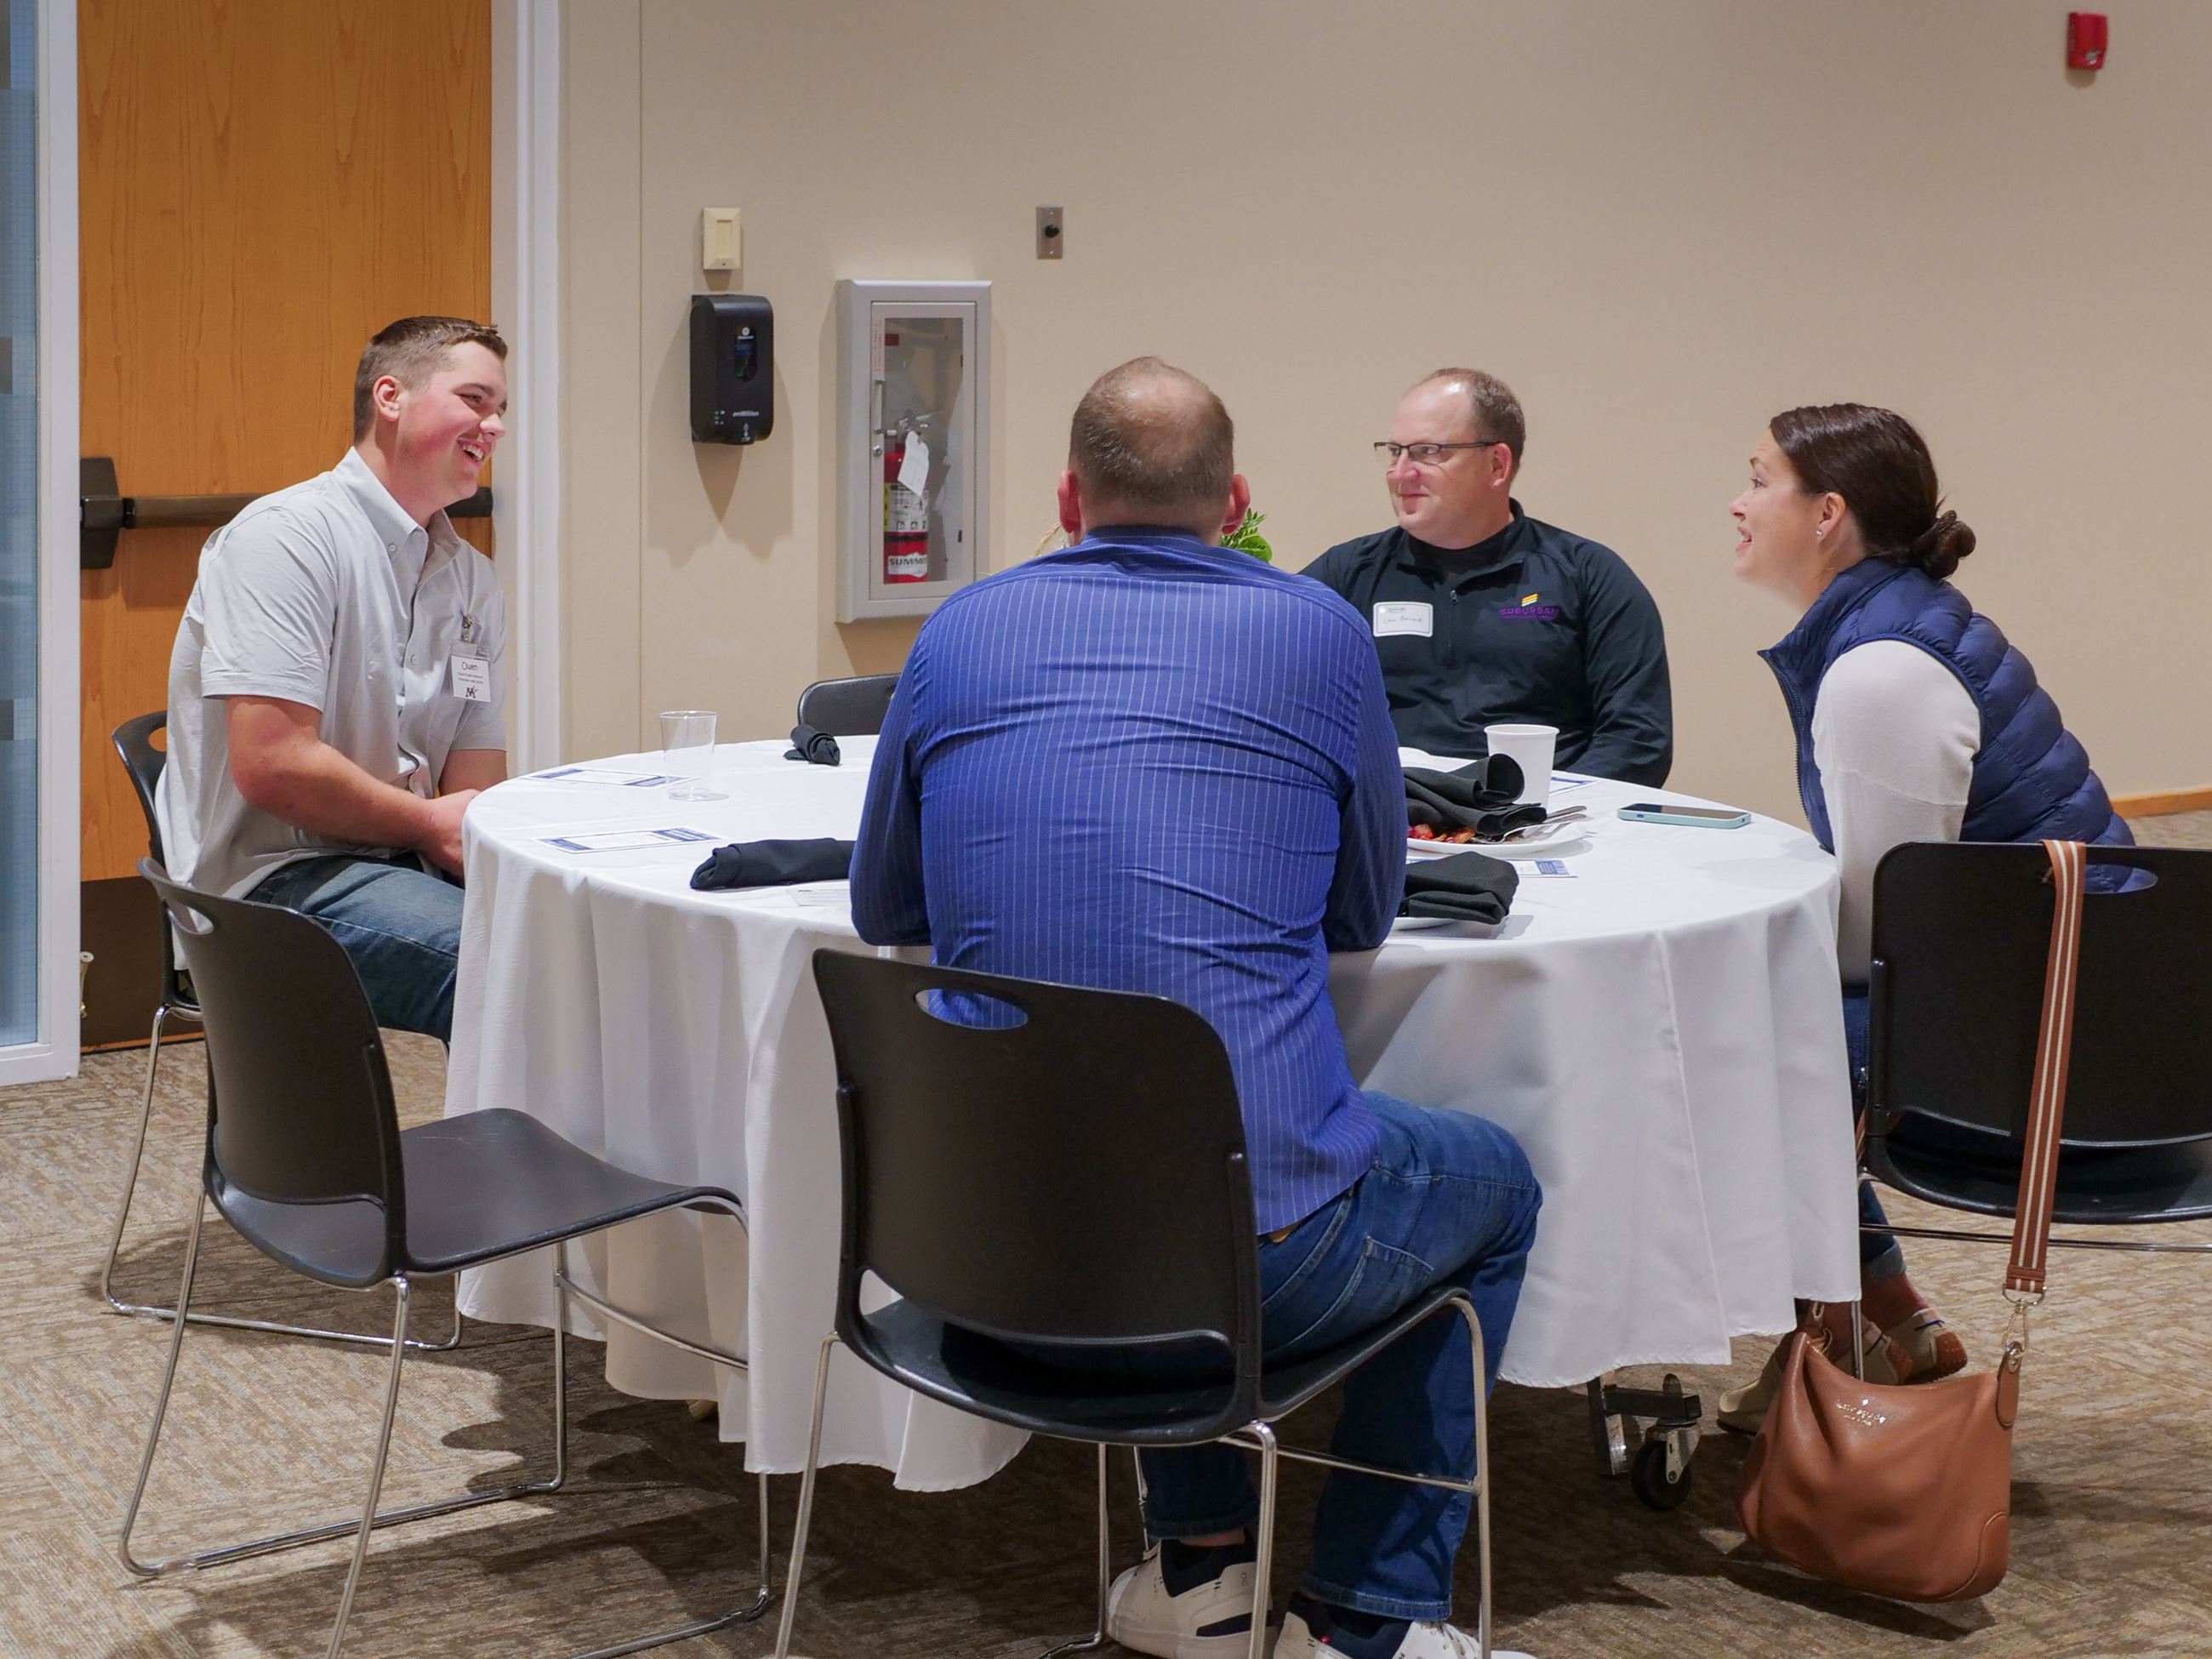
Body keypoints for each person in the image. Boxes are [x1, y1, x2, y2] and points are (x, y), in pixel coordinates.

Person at [850, 358, 1541, 1659]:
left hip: (972, 1247)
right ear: (1235, 503)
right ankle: (1366, 1623)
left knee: (1160, 1131)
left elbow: (887, 897)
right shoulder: (1315, 630)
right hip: (1242, 1271)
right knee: (1488, 1180)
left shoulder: (957, 631)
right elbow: (1362, 914)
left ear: (1067, 497)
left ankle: (1205, 1572)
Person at [1718, 402, 2132, 1428]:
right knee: (1753, 1020)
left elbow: (1878, 937)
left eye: (1758, 479)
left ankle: (1850, 1320)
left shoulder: (1879, 670)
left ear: (1827, 514)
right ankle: (1879, 1309)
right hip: (2079, 985)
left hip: (2068, 1036)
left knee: (1722, 1042)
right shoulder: (1890, 625)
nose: (1736, 501)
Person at [156, 315, 510, 1044]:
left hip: (402, 856)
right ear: (392, 398)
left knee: (591, 949)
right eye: (475, 400)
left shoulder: (473, 580)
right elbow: (275, 767)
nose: (496, 425)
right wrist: (432, 825)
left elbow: (477, 786)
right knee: (517, 969)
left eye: (502, 408)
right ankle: (519, 1160)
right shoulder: (284, 539)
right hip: (276, 880)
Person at [1304, 368, 1672, 784]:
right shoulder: (1346, 573)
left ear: (1497, 464)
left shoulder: (1589, 576)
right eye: (1395, 452)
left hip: (1540, 826)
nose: (1400, 473)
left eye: (1427, 451)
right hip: (1388, 821)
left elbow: (1638, 742)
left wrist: (1537, 812)